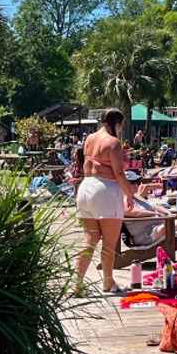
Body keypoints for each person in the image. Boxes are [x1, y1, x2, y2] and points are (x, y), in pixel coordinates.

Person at [73, 108, 136, 295]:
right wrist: (129, 195)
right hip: (105, 191)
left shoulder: (89, 139)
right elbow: (118, 173)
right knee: (109, 242)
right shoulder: (113, 142)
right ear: (117, 124)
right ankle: (108, 282)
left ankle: (77, 284)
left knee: (90, 239)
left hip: (85, 188)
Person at [124, 173, 177, 246]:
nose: (136, 185)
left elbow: (154, 206)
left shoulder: (136, 196)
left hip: (156, 227)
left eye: (137, 182)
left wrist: (167, 212)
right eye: (132, 183)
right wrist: (154, 214)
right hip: (145, 234)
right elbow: (130, 212)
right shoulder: (123, 198)